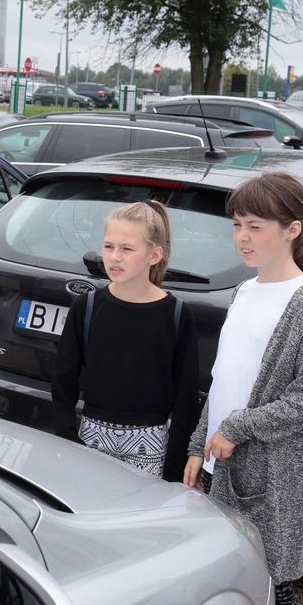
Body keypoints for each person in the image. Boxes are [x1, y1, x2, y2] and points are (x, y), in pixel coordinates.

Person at [183, 171, 303, 605]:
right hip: (219, 462)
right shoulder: (245, 291)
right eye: (237, 225)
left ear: (292, 230)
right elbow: (224, 379)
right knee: (228, 581)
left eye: (255, 227)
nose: (242, 238)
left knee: (271, 588)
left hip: (268, 476)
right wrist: (197, 446)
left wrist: (237, 428)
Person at [50, 200, 200, 481]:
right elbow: (63, 379)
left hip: (151, 445)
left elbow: (186, 395)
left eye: (127, 249)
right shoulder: (88, 307)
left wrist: (175, 464)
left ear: (154, 255)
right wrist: (68, 438)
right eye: (108, 246)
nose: (114, 257)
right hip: (90, 439)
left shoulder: (177, 314)